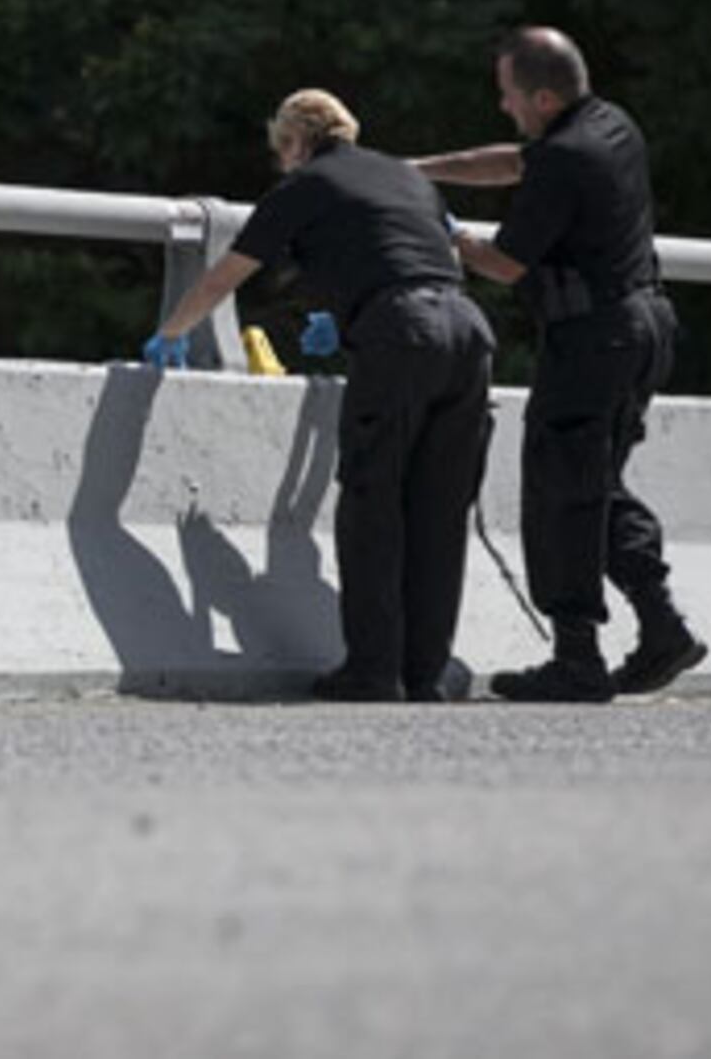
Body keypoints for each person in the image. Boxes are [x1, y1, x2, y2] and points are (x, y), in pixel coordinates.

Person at [145, 89, 493, 702]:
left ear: (293, 142)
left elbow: (227, 274)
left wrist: (170, 330)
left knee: (373, 501)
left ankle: (373, 671)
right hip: (468, 333)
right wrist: (353, 317)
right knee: (439, 512)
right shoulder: (406, 179)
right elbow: (419, 252)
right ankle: (426, 673)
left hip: (400, 332)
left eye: (280, 153)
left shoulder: (304, 185)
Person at [411, 27, 708, 703]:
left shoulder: (566, 158)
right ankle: (661, 626)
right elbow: (515, 162)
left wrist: (438, 228)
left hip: (594, 338)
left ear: (544, 97)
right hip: (644, 327)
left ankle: (577, 656)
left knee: (561, 489)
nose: (504, 106)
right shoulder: (609, 125)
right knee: (596, 481)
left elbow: (505, 263)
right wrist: (420, 170)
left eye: (510, 96)